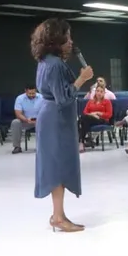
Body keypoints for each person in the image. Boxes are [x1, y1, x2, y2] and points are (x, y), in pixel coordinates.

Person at [31, 18, 93, 233]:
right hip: (56, 119)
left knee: (58, 164)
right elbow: (64, 97)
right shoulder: (55, 65)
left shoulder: (45, 61)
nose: (70, 42)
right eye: (67, 38)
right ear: (56, 40)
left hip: (53, 117)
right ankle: (58, 216)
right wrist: (82, 79)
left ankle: (59, 213)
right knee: (57, 166)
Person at [78, 84, 112, 152]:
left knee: (82, 121)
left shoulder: (107, 102)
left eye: (101, 91)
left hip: (102, 120)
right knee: (81, 121)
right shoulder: (90, 101)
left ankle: (82, 141)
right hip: (90, 119)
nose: (99, 93)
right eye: (97, 91)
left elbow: (109, 115)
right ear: (95, 92)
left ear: (104, 93)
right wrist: (93, 114)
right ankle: (84, 141)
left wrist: (98, 113)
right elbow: (85, 112)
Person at [10, 85, 43, 154]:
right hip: (25, 121)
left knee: (48, 122)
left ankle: (42, 147)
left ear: (36, 91)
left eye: (33, 93)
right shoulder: (20, 98)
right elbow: (18, 114)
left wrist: (39, 120)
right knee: (15, 122)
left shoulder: (41, 97)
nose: (31, 95)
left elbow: (45, 111)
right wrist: (26, 120)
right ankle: (17, 147)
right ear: (25, 91)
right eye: (29, 93)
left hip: (39, 121)